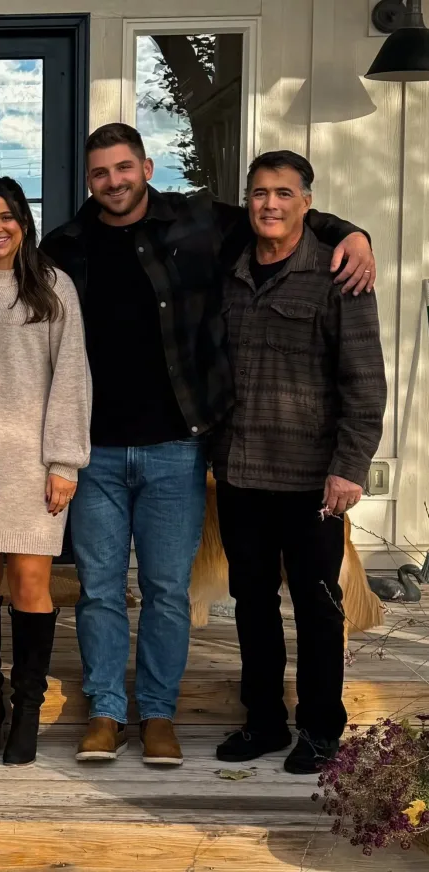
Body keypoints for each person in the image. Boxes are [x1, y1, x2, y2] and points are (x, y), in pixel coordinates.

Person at [38, 122, 377, 767]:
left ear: (146, 165)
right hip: (97, 453)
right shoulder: (66, 246)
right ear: (89, 180)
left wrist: (349, 232)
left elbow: (279, 214)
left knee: (168, 590)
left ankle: (160, 714)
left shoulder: (199, 222)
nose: (114, 182)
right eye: (100, 173)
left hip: (176, 449)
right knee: (103, 590)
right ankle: (108, 712)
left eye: (124, 168)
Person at [211, 150, 384, 774]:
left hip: (313, 477)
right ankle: (262, 720)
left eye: (285, 193)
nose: (271, 205)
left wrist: (350, 466)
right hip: (240, 472)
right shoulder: (228, 270)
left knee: (316, 605)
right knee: (250, 603)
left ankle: (319, 727)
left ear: (308, 202)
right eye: (260, 193)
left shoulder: (339, 275)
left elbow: (364, 382)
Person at [0, 176, 91, 767]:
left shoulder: (54, 288)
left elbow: (72, 378)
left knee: (30, 585)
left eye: (5, 217)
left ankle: (27, 707)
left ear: (23, 222)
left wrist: (63, 462)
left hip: (34, 462)